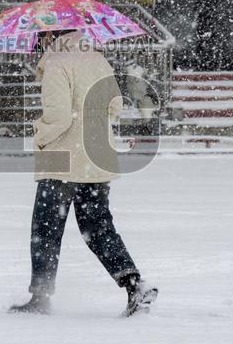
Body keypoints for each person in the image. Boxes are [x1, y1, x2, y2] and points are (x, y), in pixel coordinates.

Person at [9, 29, 158, 317]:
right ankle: (134, 284)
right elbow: (115, 104)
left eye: (39, 39)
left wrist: (39, 132)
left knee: (46, 229)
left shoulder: (57, 64)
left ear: (51, 36)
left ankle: (40, 296)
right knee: (98, 227)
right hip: (97, 155)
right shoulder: (98, 60)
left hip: (62, 157)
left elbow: (59, 117)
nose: (37, 46)